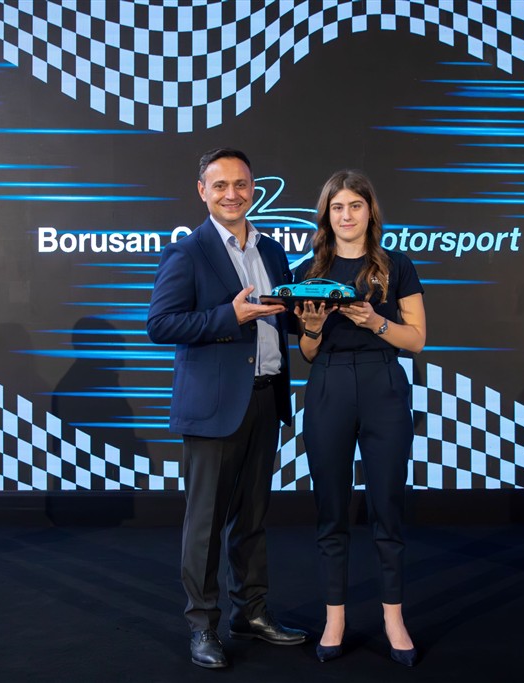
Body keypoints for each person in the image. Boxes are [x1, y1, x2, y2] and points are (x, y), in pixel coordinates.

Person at [146, 148, 308, 669]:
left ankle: (251, 613)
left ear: (253, 189)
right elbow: (160, 325)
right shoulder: (187, 252)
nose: (232, 194)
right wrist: (227, 316)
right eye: (220, 185)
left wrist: (307, 314)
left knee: (253, 518)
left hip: (266, 398)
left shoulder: (273, 251)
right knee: (205, 524)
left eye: (240, 184)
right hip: (213, 409)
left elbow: (279, 318)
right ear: (203, 191)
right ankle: (202, 626)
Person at [293, 170, 426, 667]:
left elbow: (417, 339)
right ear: (326, 215)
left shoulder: (397, 266)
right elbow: (307, 352)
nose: (346, 215)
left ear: (370, 211)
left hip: (383, 384)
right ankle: (335, 618)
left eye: (355, 205)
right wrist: (311, 329)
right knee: (331, 508)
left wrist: (375, 322)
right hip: (328, 385)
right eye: (337, 207)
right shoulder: (308, 271)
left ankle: (394, 618)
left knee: (386, 506)